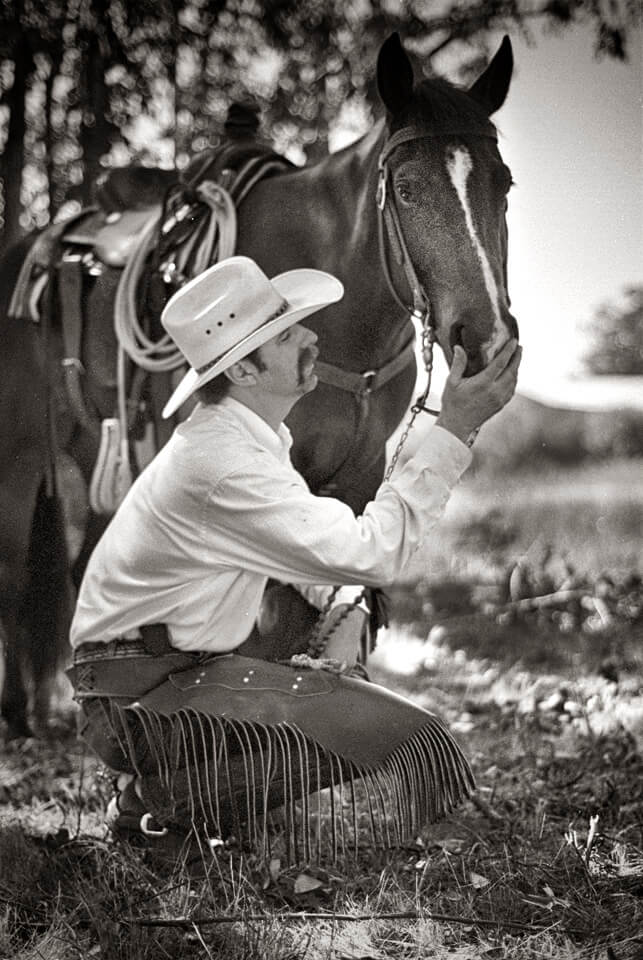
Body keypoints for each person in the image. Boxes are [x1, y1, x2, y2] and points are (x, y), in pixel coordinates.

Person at [68, 255, 521, 859]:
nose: (311, 336)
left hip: (153, 679)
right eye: (285, 335)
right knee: (387, 735)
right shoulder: (225, 460)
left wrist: (346, 603)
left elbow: (309, 554)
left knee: (358, 716)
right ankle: (152, 808)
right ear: (246, 372)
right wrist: (456, 425)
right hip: (135, 699)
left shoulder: (241, 439)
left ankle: (180, 800)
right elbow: (370, 551)